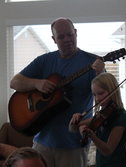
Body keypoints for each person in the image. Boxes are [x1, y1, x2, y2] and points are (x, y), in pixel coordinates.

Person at [10, 17, 105, 167]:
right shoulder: (44, 61)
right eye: (61, 36)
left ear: (76, 33)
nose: (67, 39)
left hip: (74, 144)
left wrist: (101, 73)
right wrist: (36, 83)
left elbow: (105, 96)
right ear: (54, 39)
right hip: (42, 141)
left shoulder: (92, 62)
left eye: (70, 34)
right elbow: (14, 82)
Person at [69, 72, 126, 167]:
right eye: (94, 95)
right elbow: (73, 128)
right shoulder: (102, 115)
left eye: (101, 93)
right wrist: (74, 120)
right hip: (101, 163)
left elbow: (108, 150)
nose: (97, 98)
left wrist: (92, 136)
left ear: (112, 90)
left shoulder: (121, 117)